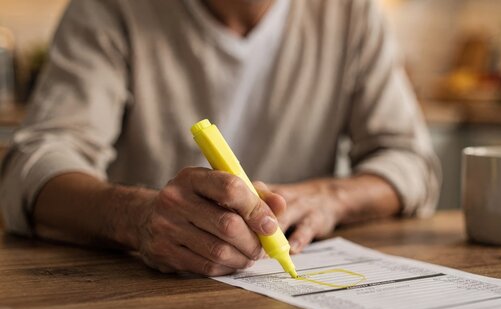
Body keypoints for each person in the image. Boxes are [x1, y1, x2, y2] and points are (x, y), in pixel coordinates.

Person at [0, 0, 440, 276]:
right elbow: (33, 165)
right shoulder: (109, 9)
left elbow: (410, 160)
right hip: (143, 304)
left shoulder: (352, 12)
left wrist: (330, 197)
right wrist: (137, 216)